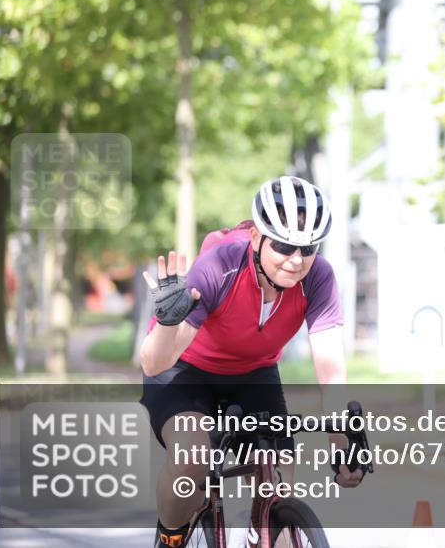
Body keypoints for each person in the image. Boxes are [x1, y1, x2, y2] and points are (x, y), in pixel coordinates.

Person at [139, 176, 362, 548]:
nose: (296, 260)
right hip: (185, 370)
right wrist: (167, 322)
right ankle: (172, 536)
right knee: (192, 459)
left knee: (279, 482)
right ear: (258, 238)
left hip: (253, 372)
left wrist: (342, 443)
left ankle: (264, 533)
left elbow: (331, 370)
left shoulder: (318, 278)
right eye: (284, 246)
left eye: (307, 249)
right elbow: (154, 363)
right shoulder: (218, 268)